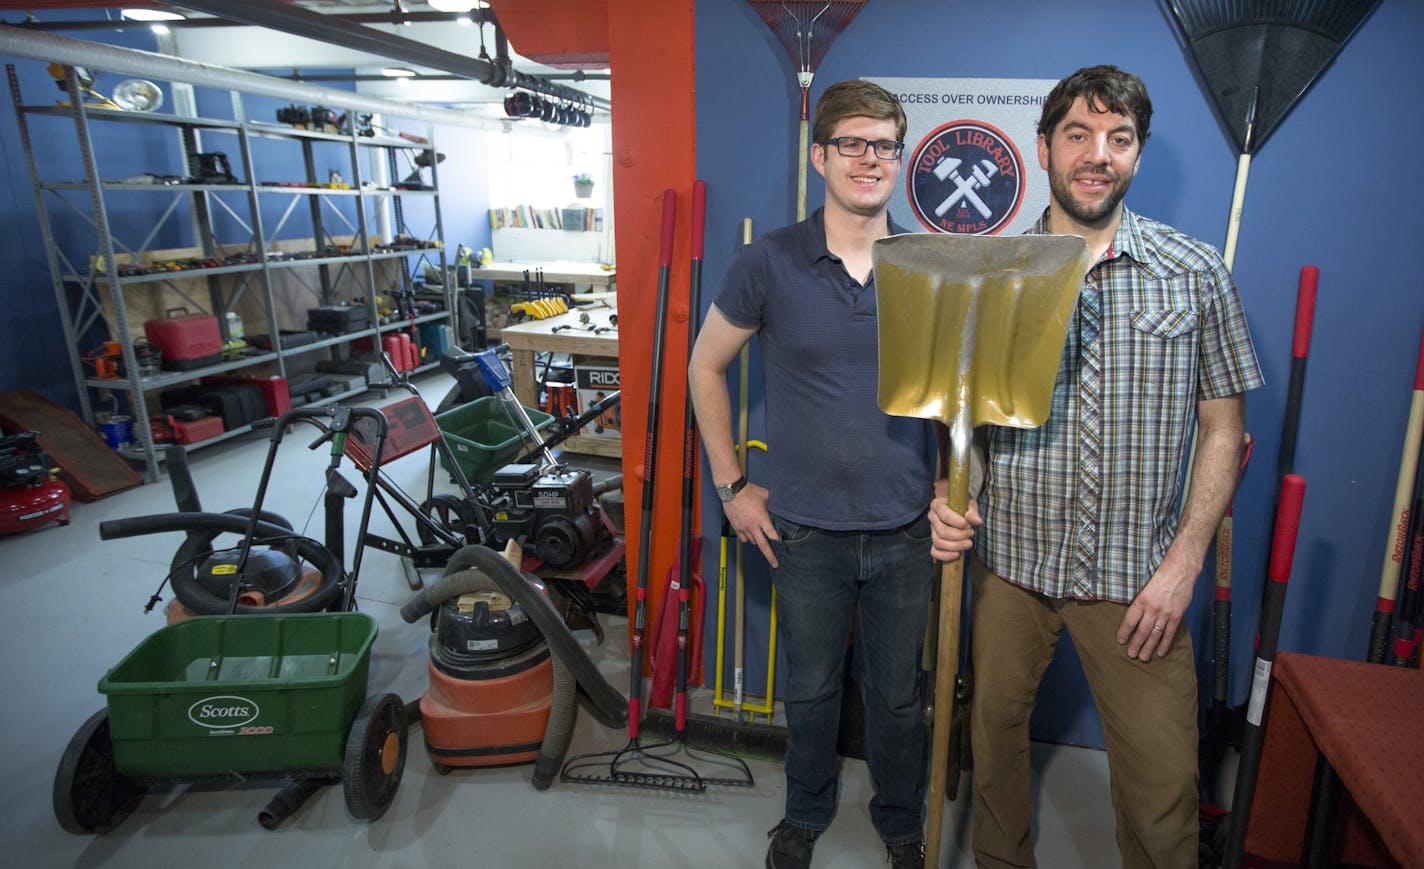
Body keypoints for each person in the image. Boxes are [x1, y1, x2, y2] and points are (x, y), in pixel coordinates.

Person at [928, 65, 1264, 869]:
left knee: (1162, 797)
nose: (1096, 154)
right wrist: (947, 489)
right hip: (1010, 563)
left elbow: (1225, 430)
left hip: (1138, 580)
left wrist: (1184, 565)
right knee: (995, 749)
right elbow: (958, 411)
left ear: (1138, 156)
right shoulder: (989, 272)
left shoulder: (1195, 272)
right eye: (1077, 135)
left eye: (1118, 138)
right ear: (1043, 148)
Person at [688, 79, 940, 869]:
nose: (870, 159)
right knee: (812, 689)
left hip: (905, 531)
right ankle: (804, 811)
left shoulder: (928, 265)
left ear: (900, 159)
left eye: (884, 146)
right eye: (853, 144)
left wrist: (949, 487)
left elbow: (959, 390)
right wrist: (731, 486)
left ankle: (901, 822)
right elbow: (705, 367)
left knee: (898, 699)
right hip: (804, 531)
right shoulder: (769, 262)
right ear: (820, 154)